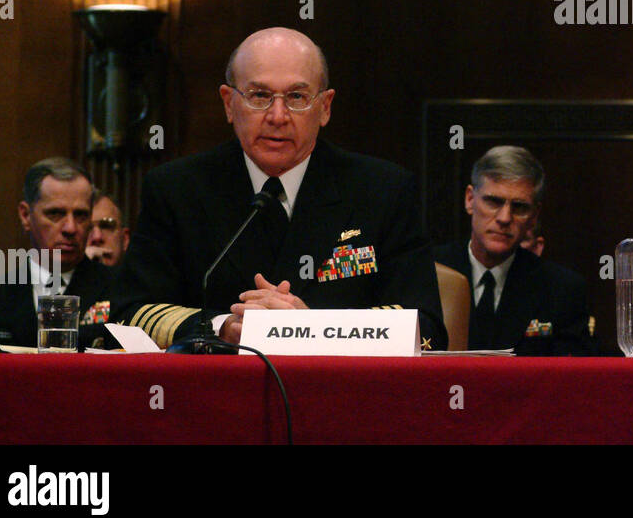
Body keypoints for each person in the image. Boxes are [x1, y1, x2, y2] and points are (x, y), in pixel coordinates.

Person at [112, 27, 445, 350]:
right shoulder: (176, 189)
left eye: (297, 97)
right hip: (215, 392)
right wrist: (223, 327)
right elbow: (130, 315)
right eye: (260, 96)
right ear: (229, 103)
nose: (277, 115)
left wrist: (312, 330)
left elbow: (425, 327)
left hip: (337, 395)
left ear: (325, 107)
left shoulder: (383, 190)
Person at [433, 146, 593, 355]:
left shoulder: (562, 289)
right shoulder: (428, 271)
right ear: (470, 200)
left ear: (534, 216)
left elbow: (574, 377)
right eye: (493, 202)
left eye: (519, 207)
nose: (504, 218)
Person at [0, 158, 114, 351]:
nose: (71, 228)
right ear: (26, 216)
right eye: (55, 214)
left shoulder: (121, 290)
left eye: (81, 215)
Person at [86, 192, 130, 267]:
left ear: (125, 239)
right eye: (87, 228)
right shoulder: (59, 270)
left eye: (106, 226)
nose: (97, 237)